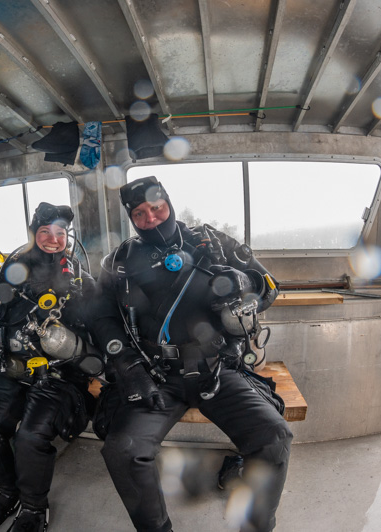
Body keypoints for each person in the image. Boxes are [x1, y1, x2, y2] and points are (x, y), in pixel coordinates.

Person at [91, 176, 293, 532]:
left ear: (168, 203)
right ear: (131, 218)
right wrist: (127, 367)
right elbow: (103, 318)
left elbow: (269, 286)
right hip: (155, 375)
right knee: (123, 451)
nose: (151, 218)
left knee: (273, 436)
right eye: (140, 213)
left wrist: (242, 282)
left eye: (157, 207)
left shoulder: (211, 241)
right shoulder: (120, 261)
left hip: (217, 369)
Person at [0, 202, 100, 532]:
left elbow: (100, 327)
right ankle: (8, 492)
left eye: (60, 233)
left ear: (67, 237)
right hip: (11, 368)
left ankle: (34, 507)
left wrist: (97, 375)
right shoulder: (11, 269)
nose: (53, 239)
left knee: (29, 438)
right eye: (45, 232)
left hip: (61, 375)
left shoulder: (79, 275)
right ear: (33, 233)